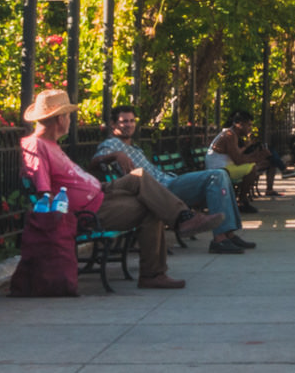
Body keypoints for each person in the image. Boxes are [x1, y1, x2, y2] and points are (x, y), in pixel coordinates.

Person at [19, 89, 222, 289]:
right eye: (69, 116)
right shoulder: (36, 146)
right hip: (90, 208)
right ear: (59, 119)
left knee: (140, 175)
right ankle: (156, 268)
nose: (70, 121)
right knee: (152, 208)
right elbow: (43, 192)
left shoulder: (51, 144)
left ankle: (184, 218)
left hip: (102, 191)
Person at [94, 105, 256, 255]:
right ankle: (220, 239)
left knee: (222, 174)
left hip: (169, 181)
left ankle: (229, 234)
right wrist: (114, 155)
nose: (128, 125)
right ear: (113, 124)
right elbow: (95, 162)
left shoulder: (133, 147)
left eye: (131, 121)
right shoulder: (112, 145)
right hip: (160, 191)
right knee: (217, 175)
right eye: (123, 122)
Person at [206, 110, 273, 213]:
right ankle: (241, 202)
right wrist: (257, 157)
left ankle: (242, 200)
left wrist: (256, 156)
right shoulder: (229, 135)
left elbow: (239, 157)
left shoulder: (232, 134)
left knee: (252, 166)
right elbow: (238, 160)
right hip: (219, 170)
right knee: (252, 168)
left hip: (224, 167)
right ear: (240, 124)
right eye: (249, 125)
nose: (250, 128)